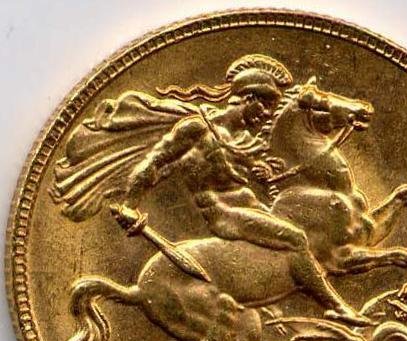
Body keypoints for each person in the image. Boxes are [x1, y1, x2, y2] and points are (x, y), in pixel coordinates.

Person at [120, 54, 368, 325]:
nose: (267, 115)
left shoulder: (245, 139)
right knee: (296, 238)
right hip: (224, 214)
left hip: (252, 208)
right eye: (266, 106)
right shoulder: (197, 129)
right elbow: (154, 163)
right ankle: (336, 307)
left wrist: (264, 173)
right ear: (249, 99)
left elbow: (245, 175)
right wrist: (129, 205)